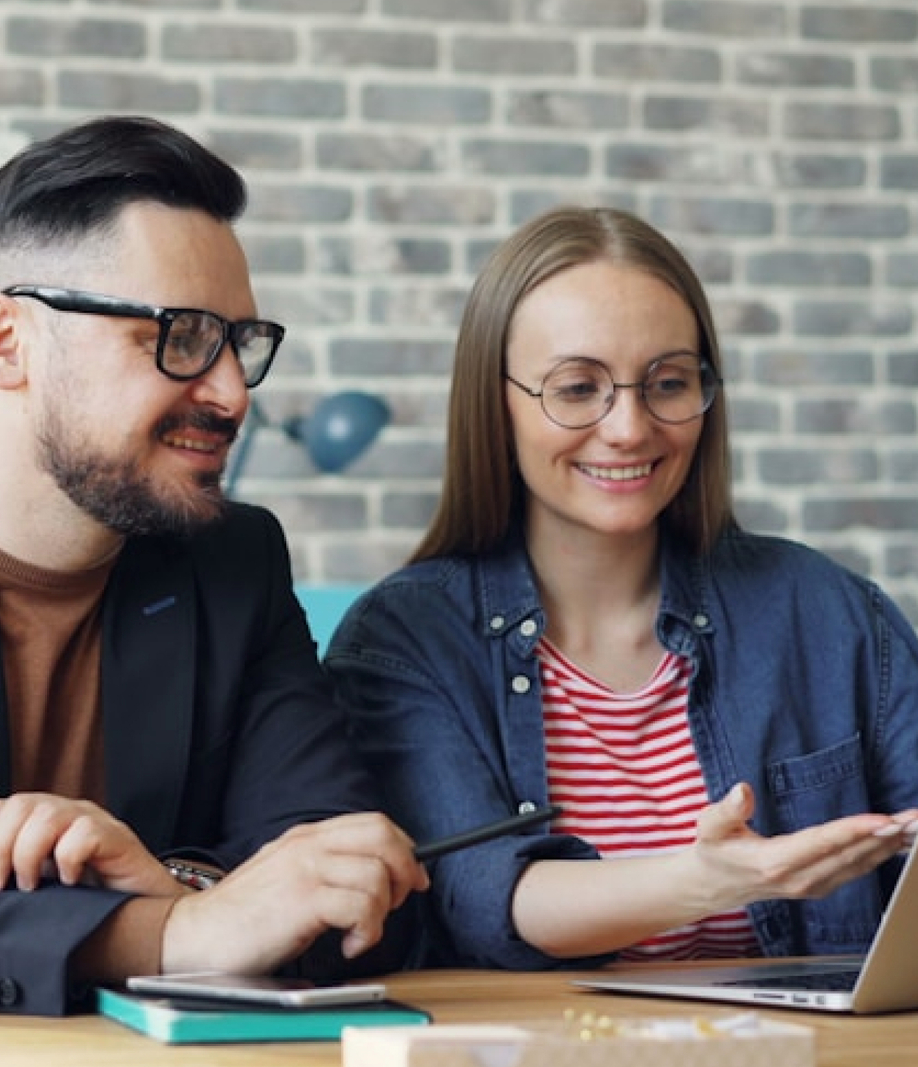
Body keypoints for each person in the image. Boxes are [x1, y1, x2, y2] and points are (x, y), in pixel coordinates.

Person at [0, 114, 428, 1015]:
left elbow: (356, 885)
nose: (230, 393)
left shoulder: (232, 562)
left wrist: (179, 883)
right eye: (180, 336)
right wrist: (172, 933)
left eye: (238, 343)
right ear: (6, 342)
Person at [326, 204, 918, 972]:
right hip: (536, 1049)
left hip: (810, 1049)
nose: (631, 428)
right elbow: (483, 897)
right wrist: (707, 880)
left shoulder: (832, 614)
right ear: (495, 405)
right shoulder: (404, 640)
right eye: (578, 388)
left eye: (668, 383)